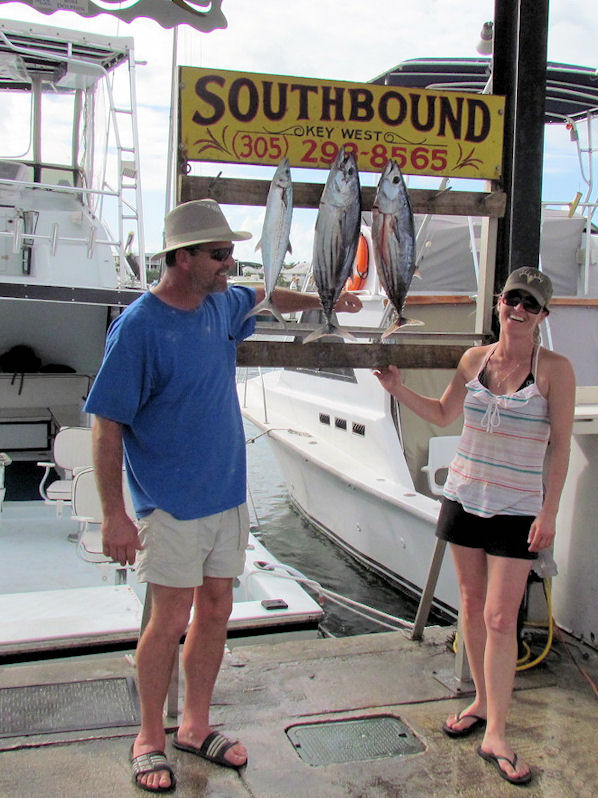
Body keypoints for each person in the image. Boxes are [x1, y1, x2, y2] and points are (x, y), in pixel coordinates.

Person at [84, 198, 362, 793]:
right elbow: (106, 427)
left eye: (230, 253)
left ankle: (194, 726)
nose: (229, 263)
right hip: (169, 504)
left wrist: (325, 302)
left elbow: (264, 295)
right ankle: (148, 739)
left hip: (228, 497)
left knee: (216, 611)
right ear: (182, 258)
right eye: (218, 254)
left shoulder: (221, 304)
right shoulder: (138, 328)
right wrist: (115, 516)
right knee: (167, 621)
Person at [374, 267, 574, 786]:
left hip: (517, 507)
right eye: (513, 299)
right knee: (470, 603)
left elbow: (560, 448)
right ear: (499, 302)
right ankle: (482, 702)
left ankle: (498, 734)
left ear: (543, 315)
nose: (519, 310)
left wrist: (549, 512)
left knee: (501, 618)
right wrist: (397, 388)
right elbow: (444, 414)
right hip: (464, 497)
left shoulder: (555, 370)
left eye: (531, 304)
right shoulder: (473, 360)